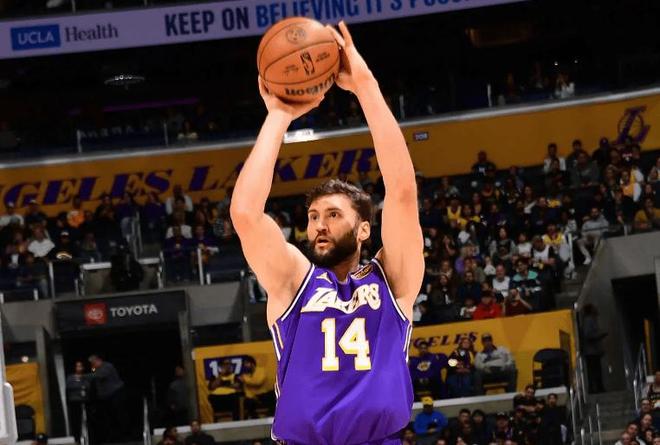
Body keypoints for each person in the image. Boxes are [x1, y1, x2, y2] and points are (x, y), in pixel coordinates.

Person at [229, 22, 424, 445]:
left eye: (333, 215)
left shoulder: (392, 280)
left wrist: (366, 87)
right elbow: (245, 213)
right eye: (314, 215)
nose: (319, 223)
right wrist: (279, 116)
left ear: (364, 228)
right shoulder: (294, 281)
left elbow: (403, 192)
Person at [86, 354, 127, 443]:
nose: (92, 365)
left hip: (115, 394)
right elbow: (95, 376)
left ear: (98, 360)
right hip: (106, 397)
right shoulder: (96, 368)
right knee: (109, 418)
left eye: (93, 362)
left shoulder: (107, 366)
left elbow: (100, 375)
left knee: (118, 415)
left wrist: (83, 376)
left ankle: (124, 435)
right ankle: (113, 437)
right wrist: (93, 369)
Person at [581, 304, 607, 393]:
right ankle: (596, 388)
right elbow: (588, 335)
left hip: (593, 351)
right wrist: (600, 335)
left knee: (594, 370)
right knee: (594, 371)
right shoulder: (589, 320)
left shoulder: (590, 320)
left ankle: (596, 387)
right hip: (591, 351)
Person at [66, 361, 90, 443]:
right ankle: (77, 439)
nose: (79, 368)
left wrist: (80, 385)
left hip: (84, 401)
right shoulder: (70, 377)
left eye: (80, 366)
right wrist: (80, 386)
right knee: (76, 421)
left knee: (85, 420)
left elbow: (87, 386)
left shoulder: (85, 377)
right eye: (77, 366)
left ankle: (87, 438)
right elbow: (69, 386)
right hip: (74, 401)